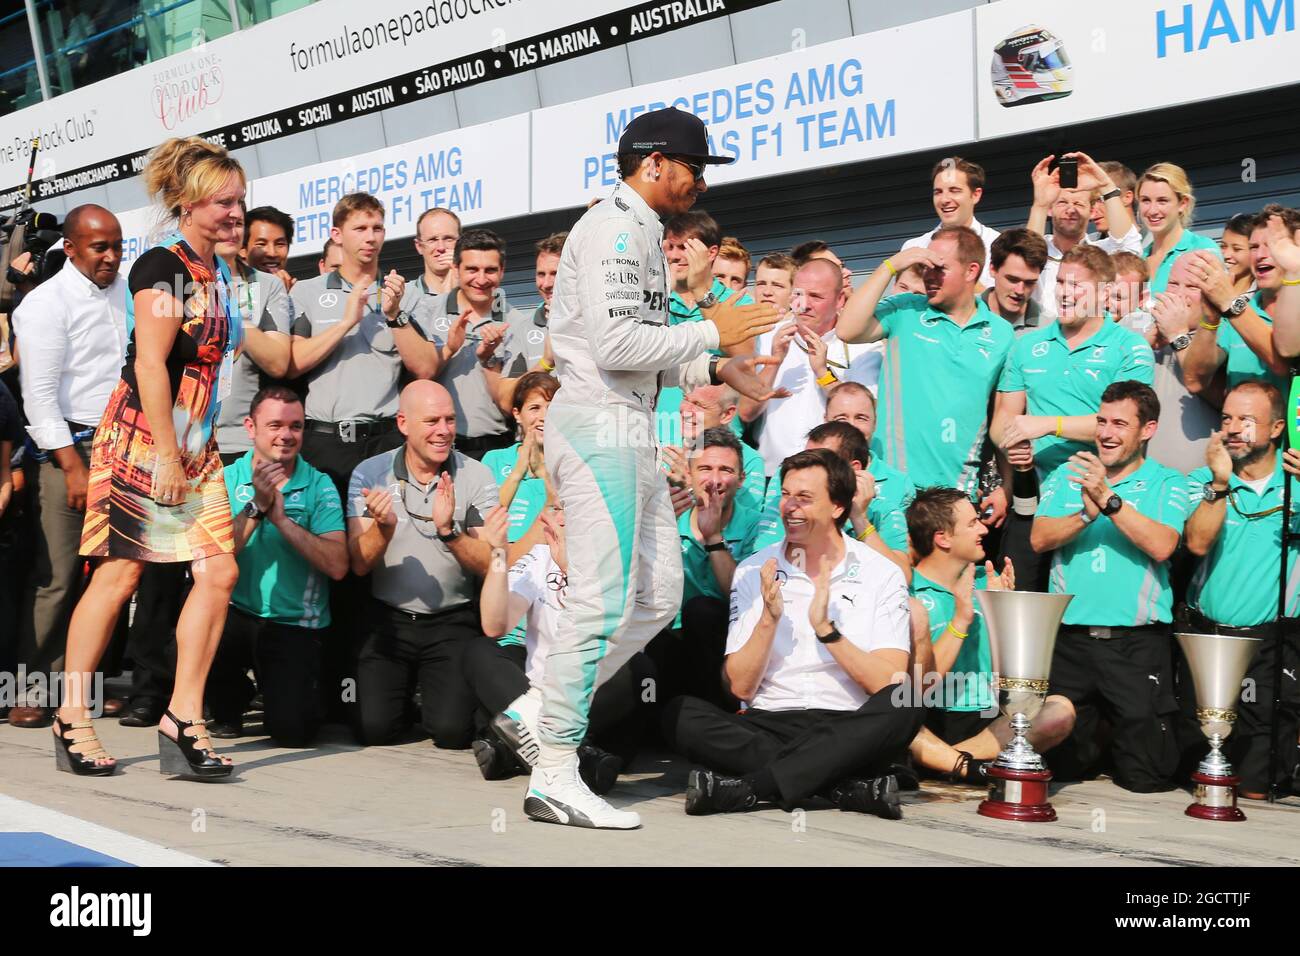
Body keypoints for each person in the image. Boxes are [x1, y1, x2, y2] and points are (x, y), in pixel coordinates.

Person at [500, 107, 779, 829]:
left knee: (655, 595)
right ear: (653, 163)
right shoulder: (621, 228)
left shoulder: (642, 232)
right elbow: (621, 344)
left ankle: (539, 706)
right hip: (600, 425)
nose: (701, 180)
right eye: (695, 166)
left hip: (630, 428)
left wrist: (717, 363)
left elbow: (644, 340)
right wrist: (715, 329)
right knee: (599, 600)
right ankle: (554, 771)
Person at [53, 136, 247, 779]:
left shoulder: (220, 271)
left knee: (218, 572)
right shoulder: (160, 267)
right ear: (189, 206)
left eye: (240, 202)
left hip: (195, 441)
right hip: (146, 436)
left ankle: (182, 718)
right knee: (120, 576)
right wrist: (166, 453)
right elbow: (150, 364)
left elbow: (226, 355)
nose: (236, 214)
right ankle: (72, 715)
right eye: (224, 203)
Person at [663, 449, 921, 819]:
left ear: (837, 507)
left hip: (848, 722)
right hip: (770, 722)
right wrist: (768, 620)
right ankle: (843, 786)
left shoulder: (881, 572)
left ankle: (752, 788)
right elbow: (740, 689)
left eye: (804, 498)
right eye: (785, 494)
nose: (790, 507)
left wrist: (827, 632)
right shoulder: (754, 569)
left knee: (906, 699)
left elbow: (886, 682)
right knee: (679, 714)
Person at [1031, 381, 1187, 792]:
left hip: (1135, 647)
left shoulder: (1167, 482)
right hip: (1071, 643)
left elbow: (1162, 544)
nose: (1106, 433)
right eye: (1102, 421)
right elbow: (1039, 538)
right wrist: (1084, 516)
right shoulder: (1069, 472)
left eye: (1120, 423)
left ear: (1147, 430)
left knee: (1146, 778)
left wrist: (1109, 499)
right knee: (1061, 770)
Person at [11, 205, 127, 728]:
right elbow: (36, 397)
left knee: (110, 577)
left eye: (116, 246)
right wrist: (72, 466)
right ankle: (31, 688)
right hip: (68, 455)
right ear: (72, 248)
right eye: (99, 247)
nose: (110, 256)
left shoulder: (126, 293)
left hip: (124, 449)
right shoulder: (44, 304)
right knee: (56, 577)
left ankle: (85, 691)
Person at [345, 380, 499, 747]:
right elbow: (358, 564)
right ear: (403, 424)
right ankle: (408, 699)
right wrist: (383, 529)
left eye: (449, 419)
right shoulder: (370, 473)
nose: (444, 430)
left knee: (452, 733)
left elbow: (490, 563)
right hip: (388, 619)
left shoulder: (476, 475)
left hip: (452, 620)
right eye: (432, 421)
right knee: (373, 729)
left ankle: (435, 700)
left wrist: (450, 532)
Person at [469, 504, 654, 792]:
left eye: (575, 507)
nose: (564, 518)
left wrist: (571, 570)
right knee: (480, 651)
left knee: (642, 672)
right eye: (558, 508)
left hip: (596, 699)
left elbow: (606, 636)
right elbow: (496, 625)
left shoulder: (626, 562)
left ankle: (516, 750)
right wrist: (498, 554)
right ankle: (580, 759)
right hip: (539, 696)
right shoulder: (538, 558)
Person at [206, 386, 346, 745]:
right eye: (275, 425)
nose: (286, 435)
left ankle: (275, 689)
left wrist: (283, 520)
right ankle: (231, 700)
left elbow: (337, 566)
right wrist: (256, 507)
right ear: (250, 428)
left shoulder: (320, 485)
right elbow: (209, 559)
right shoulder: (226, 477)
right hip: (236, 612)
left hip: (294, 623)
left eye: (296, 426)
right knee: (192, 623)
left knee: (294, 733)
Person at [905, 487, 1074, 781]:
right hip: (931, 714)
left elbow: (1009, 676)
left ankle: (949, 762)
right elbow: (918, 685)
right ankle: (954, 762)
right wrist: (961, 620)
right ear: (942, 538)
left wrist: (1004, 613)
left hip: (985, 716)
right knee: (897, 717)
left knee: (1061, 710)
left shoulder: (986, 583)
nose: (983, 529)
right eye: (972, 524)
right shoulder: (908, 592)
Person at [837, 226, 1015, 500]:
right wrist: (890, 266)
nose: (929, 275)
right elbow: (847, 329)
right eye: (925, 266)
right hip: (894, 488)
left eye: (939, 267)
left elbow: (1002, 416)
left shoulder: (1002, 334)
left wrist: (1006, 486)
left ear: (971, 271)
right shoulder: (906, 309)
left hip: (958, 493)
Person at [1183, 381, 1299, 798]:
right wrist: (1219, 483)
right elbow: (1196, 543)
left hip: (1270, 646)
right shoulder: (1204, 479)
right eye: (1226, 418)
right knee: (1192, 774)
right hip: (1208, 637)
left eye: (1246, 420)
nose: (1232, 428)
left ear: (1275, 428)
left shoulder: (1296, 482)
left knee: (1252, 785)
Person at [288, 192, 432, 498]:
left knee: (388, 539)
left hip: (385, 441)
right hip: (325, 443)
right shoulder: (306, 291)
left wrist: (394, 315)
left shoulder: (405, 294)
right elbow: (293, 362)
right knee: (328, 539)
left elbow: (425, 368)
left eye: (377, 228)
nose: (370, 237)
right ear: (336, 235)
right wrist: (345, 323)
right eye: (360, 228)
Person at [742, 258, 879, 476]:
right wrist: (775, 362)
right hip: (772, 477)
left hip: (832, 477)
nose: (804, 304)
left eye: (815, 296)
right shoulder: (766, 336)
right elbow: (746, 413)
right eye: (798, 294)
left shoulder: (862, 346)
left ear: (839, 300)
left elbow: (861, 418)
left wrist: (823, 373)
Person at [751, 417, 913, 580]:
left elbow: (901, 578)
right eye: (807, 457)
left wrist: (859, 519)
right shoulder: (790, 507)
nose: (808, 469)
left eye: (820, 461)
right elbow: (759, 567)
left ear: (853, 469)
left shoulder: (883, 512)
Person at [419, 228, 533, 459]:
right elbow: (415, 378)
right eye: (472, 269)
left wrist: (491, 359)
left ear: (502, 271)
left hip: (496, 449)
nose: (481, 279)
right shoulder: (425, 312)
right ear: (456, 269)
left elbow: (511, 403)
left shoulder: (519, 324)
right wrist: (448, 349)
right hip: (437, 447)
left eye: (490, 270)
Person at [1181, 204, 1294, 396]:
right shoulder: (1237, 312)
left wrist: (1230, 303)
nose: (1260, 255)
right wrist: (1210, 320)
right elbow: (1194, 380)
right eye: (1254, 247)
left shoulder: (1235, 308)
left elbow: (1282, 362)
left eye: (1272, 245)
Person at [214, 204, 292, 465]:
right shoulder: (178, 280)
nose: (230, 231)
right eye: (222, 223)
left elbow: (279, 362)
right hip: (187, 442)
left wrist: (228, 302)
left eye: (236, 224)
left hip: (244, 444)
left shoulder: (267, 285)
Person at [1025, 151, 1141, 321]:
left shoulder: (1102, 254)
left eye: (1078, 203)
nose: (1070, 209)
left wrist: (1106, 186)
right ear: (1050, 209)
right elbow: (1024, 261)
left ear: (1092, 211)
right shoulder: (1038, 249)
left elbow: (1130, 247)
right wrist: (1040, 204)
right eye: (1062, 202)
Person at [1137, 254, 1222, 473]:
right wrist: (1143, 347)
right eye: (1173, 283)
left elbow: (1200, 380)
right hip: (1146, 482)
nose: (1179, 294)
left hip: (1201, 482)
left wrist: (1177, 335)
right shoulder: (1142, 334)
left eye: (1193, 286)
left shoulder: (1223, 332)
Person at [901, 157, 1001, 287]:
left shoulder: (997, 245)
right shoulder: (913, 247)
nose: (944, 200)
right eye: (938, 192)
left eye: (954, 191)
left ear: (976, 195)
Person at [1138, 163, 1222, 294]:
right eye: (1145, 200)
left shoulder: (1202, 249)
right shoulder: (1138, 259)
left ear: (1183, 203)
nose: (1152, 210)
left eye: (1162, 201)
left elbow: (1219, 306)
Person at [982, 228, 1047, 333]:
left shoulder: (1050, 329)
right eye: (1012, 280)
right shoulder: (961, 314)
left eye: (1029, 283)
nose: (1020, 291)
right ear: (993, 269)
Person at [242, 205, 296, 292]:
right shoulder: (230, 291)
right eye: (261, 244)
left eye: (280, 244)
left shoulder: (299, 296)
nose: (272, 253)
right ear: (242, 249)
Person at [409, 207, 461, 298]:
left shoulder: (481, 292)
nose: (441, 247)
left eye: (448, 239)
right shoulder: (402, 298)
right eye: (432, 240)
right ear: (419, 246)